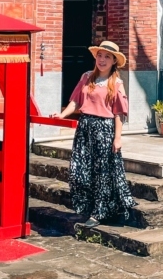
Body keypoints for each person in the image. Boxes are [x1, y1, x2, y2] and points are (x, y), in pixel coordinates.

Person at [53, 40, 136, 231]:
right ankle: (87, 205)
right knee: (79, 171)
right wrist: (62, 114)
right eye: (100, 55)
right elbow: (75, 101)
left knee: (102, 174)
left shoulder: (116, 83)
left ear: (114, 61)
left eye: (107, 57)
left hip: (104, 130)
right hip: (85, 128)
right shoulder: (86, 77)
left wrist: (117, 137)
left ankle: (98, 212)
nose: (102, 59)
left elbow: (119, 114)